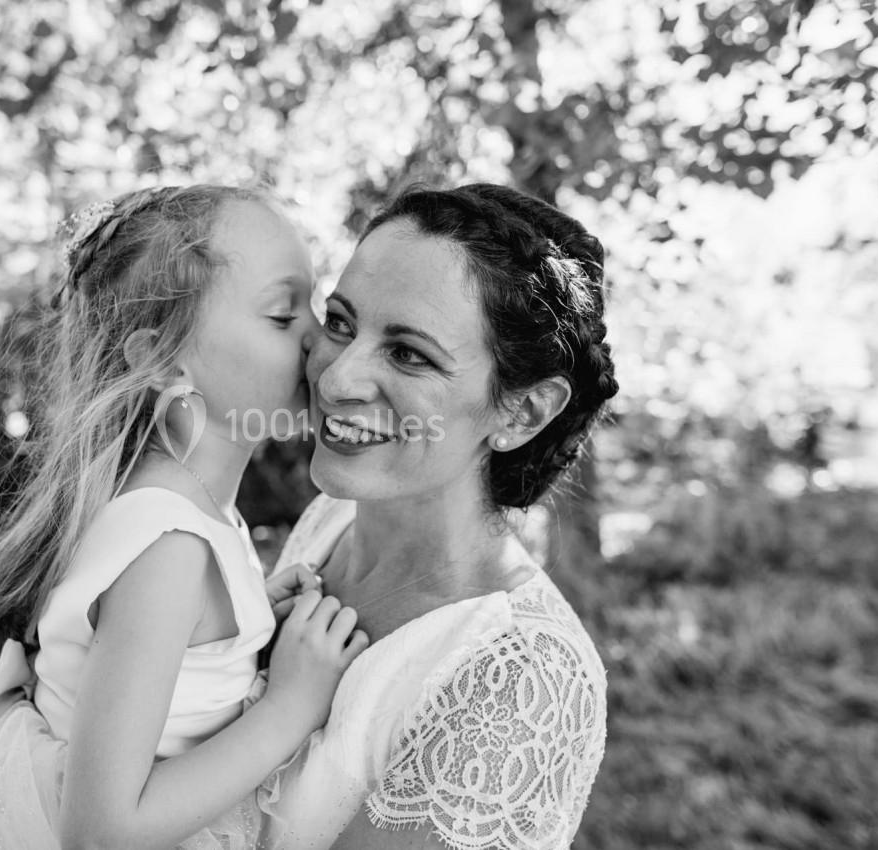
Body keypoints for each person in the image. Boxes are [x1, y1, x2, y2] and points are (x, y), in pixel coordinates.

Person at [0, 184, 369, 850]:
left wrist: (244, 627)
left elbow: (155, 658)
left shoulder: (180, 513)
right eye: (281, 315)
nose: (319, 340)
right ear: (158, 358)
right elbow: (101, 833)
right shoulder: (171, 546)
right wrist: (290, 706)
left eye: (316, 307)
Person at [255, 184, 617, 849]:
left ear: (523, 411)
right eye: (340, 322)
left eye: (409, 354)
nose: (335, 381)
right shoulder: (333, 517)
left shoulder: (522, 677)